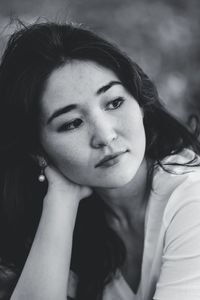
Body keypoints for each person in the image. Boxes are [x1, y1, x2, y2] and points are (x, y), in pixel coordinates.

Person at [0, 21, 200, 300]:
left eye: (114, 102)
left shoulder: (192, 197)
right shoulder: (71, 223)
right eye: (72, 123)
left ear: (140, 102)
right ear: (37, 148)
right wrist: (61, 201)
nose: (105, 136)